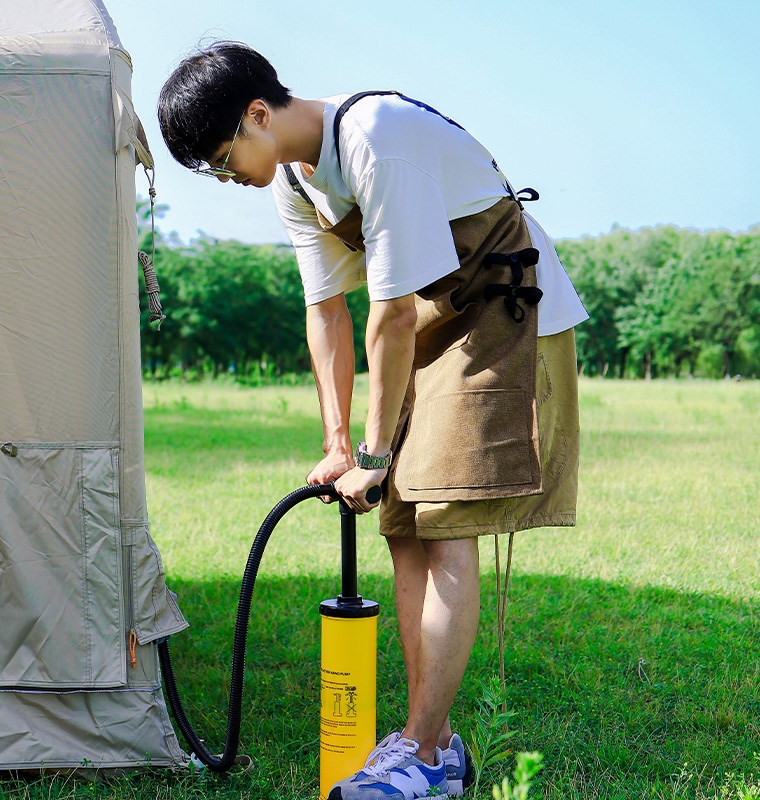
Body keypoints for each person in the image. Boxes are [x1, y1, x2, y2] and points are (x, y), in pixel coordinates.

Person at [158, 41, 588, 800]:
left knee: (446, 521)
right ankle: (437, 746)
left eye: (224, 158)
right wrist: (336, 445)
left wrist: (374, 450)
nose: (226, 178)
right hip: (429, 324)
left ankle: (421, 756)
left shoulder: (372, 137)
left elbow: (385, 313)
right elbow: (325, 310)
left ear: (258, 114)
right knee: (405, 529)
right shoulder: (296, 182)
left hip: (498, 314)